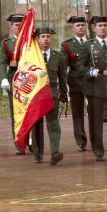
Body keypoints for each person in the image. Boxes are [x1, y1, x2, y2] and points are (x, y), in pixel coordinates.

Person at [77, 15, 107, 162]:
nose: (103, 28)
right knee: (96, 120)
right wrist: (88, 72)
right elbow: (79, 66)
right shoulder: (88, 45)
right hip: (94, 87)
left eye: (105, 25)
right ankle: (98, 151)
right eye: (100, 26)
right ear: (94, 28)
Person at [32, 28, 67, 164]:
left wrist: (63, 95)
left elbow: (62, 78)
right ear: (37, 39)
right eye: (42, 36)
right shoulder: (32, 57)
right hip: (36, 95)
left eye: (48, 36)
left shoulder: (58, 57)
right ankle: (37, 154)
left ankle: (55, 152)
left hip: (52, 94)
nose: (46, 39)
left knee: (53, 124)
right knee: (37, 125)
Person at [0, 14, 28, 155]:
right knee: (16, 113)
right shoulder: (6, 43)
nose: (19, 27)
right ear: (12, 27)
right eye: (16, 25)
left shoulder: (31, 42)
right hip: (14, 81)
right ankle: (19, 143)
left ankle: (32, 142)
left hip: (30, 82)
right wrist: (4, 78)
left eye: (21, 24)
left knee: (31, 112)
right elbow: (2, 62)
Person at [61, 16, 88, 152]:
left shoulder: (92, 41)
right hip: (75, 81)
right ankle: (81, 141)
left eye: (83, 25)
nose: (81, 27)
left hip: (92, 80)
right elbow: (64, 66)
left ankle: (96, 140)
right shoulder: (67, 45)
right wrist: (64, 84)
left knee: (95, 112)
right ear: (73, 28)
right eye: (78, 25)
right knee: (77, 113)